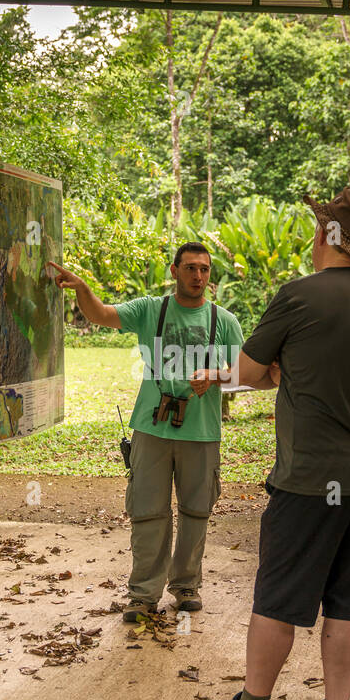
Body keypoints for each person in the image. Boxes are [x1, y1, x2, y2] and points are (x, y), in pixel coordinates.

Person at [194, 188, 350, 700]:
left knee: (279, 600)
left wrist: (233, 371)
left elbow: (254, 370)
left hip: (311, 478)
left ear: (328, 239)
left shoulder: (299, 295)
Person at [49, 243, 244, 622]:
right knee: (148, 512)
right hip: (151, 428)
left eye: (204, 270)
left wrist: (217, 376)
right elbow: (102, 314)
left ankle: (186, 586)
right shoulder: (150, 309)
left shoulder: (225, 321)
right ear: (174, 271)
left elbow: (251, 373)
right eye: (190, 268)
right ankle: (142, 594)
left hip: (202, 433)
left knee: (195, 513)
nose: (198, 276)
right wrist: (83, 288)